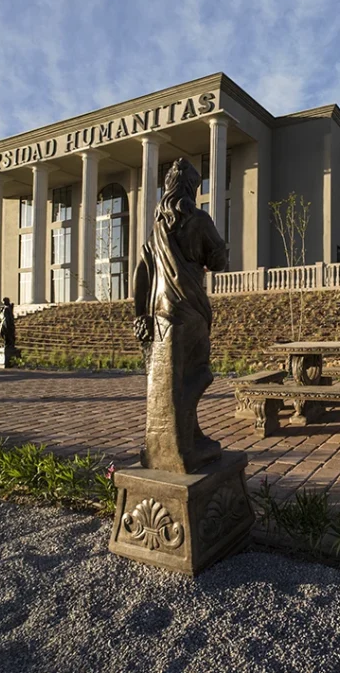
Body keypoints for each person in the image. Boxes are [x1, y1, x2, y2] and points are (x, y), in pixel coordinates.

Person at [133, 158, 228, 474]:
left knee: (165, 380)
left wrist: (141, 315)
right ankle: (179, 447)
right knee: (196, 373)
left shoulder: (156, 229)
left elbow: (142, 272)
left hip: (160, 313)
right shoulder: (200, 220)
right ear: (191, 188)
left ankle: (177, 439)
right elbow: (218, 260)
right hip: (190, 310)